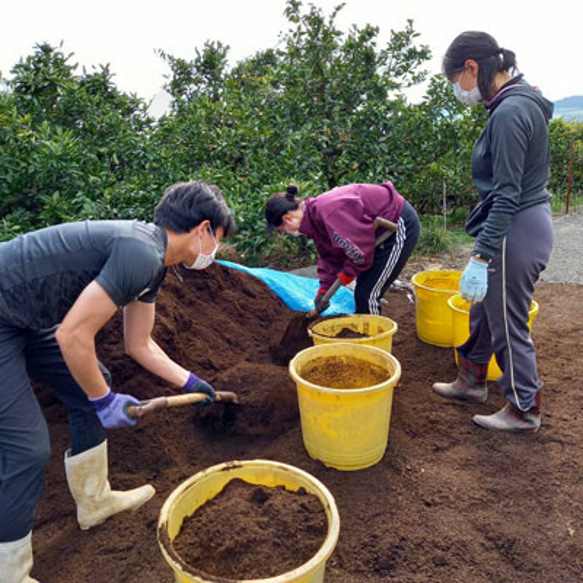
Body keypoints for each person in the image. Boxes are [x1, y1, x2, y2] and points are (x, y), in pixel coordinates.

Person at [0, 180, 236, 582]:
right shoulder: (139, 253)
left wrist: (191, 382)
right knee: (27, 449)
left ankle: (94, 502)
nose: (215, 250)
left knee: (91, 381)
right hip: (5, 317)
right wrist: (104, 400)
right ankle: (10, 574)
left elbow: (138, 343)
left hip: (23, 318)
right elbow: (72, 336)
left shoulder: (154, 264)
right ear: (203, 229)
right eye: (219, 239)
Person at [432, 32, 554, 433]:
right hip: (523, 221)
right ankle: (471, 382)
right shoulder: (517, 100)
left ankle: (523, 408)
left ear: (472, 69)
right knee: (483, 309)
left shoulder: (508, 113)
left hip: (515, 228)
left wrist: (481, 255)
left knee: (507, 320)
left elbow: (506, 195)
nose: (457, 91)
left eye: (456, 81)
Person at [265, 182, 420, 315]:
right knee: (364, 289)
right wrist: (324, 289)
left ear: (287, 219)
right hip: (374, 234)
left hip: (397, 225)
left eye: (282, 230)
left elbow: (359, 255)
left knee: (367, 295)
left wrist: (346, 274)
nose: (285, 233)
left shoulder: (329, 213)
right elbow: (329, 256)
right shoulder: (314, 219)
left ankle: (372, 341)